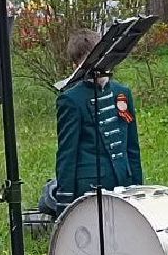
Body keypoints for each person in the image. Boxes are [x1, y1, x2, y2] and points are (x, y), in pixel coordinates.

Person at [53, 28, 144, 215]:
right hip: (91, 187)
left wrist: (137, 186)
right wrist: (65, 200)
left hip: (122, 181)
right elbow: (67, 154)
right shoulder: (71, 100)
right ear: (76, 66)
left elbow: (132, 147)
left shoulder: (122, 93)